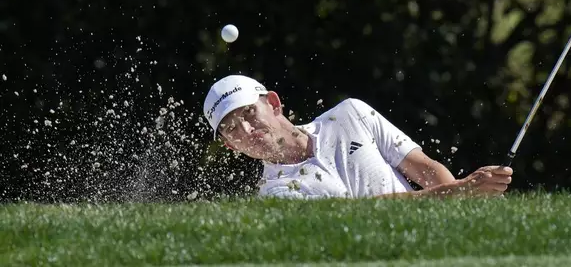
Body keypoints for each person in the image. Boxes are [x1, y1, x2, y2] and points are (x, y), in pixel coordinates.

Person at [203, 74, 513, 199]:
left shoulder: (350, 114)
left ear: (273, 103)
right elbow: (363, 217)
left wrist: (468, 201)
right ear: (231, 147)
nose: (245, 130)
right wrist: (458, 191)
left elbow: (426, 169)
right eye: (231, 129)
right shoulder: (274, 192)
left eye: (247, 114)